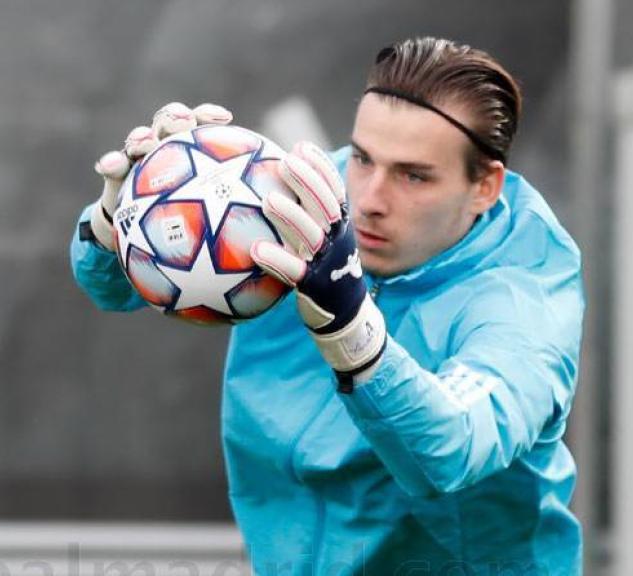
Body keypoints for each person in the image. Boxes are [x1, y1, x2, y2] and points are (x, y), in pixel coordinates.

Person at [71, 37, 584, 576]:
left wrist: (353, 334)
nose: (369, 200)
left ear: (485, 187)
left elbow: (453, 449)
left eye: (414, 175)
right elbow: (115, 288)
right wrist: (127, 218)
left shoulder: (522, 305)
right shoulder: (303, 193)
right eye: (363, 158)